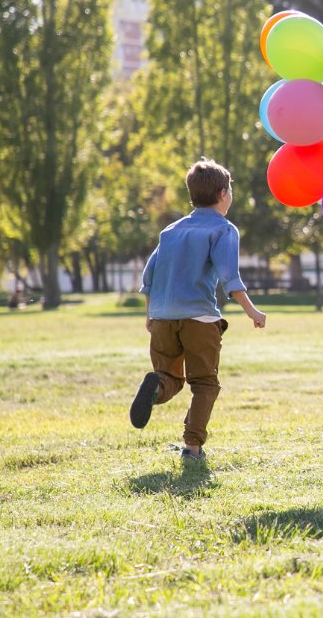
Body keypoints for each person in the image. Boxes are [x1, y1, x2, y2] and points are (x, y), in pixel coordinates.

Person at [130, 158, 266, 462]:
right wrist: (252, 311)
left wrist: (150, 314)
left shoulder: (171, 230)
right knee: (204, 383)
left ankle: (156, 387)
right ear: (222, 194)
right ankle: (191, 448)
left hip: (163, 317)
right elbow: (230, 278)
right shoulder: (223, 230)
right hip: (199, 318)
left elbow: (149, 276)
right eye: (230, 190)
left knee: (169, 377)